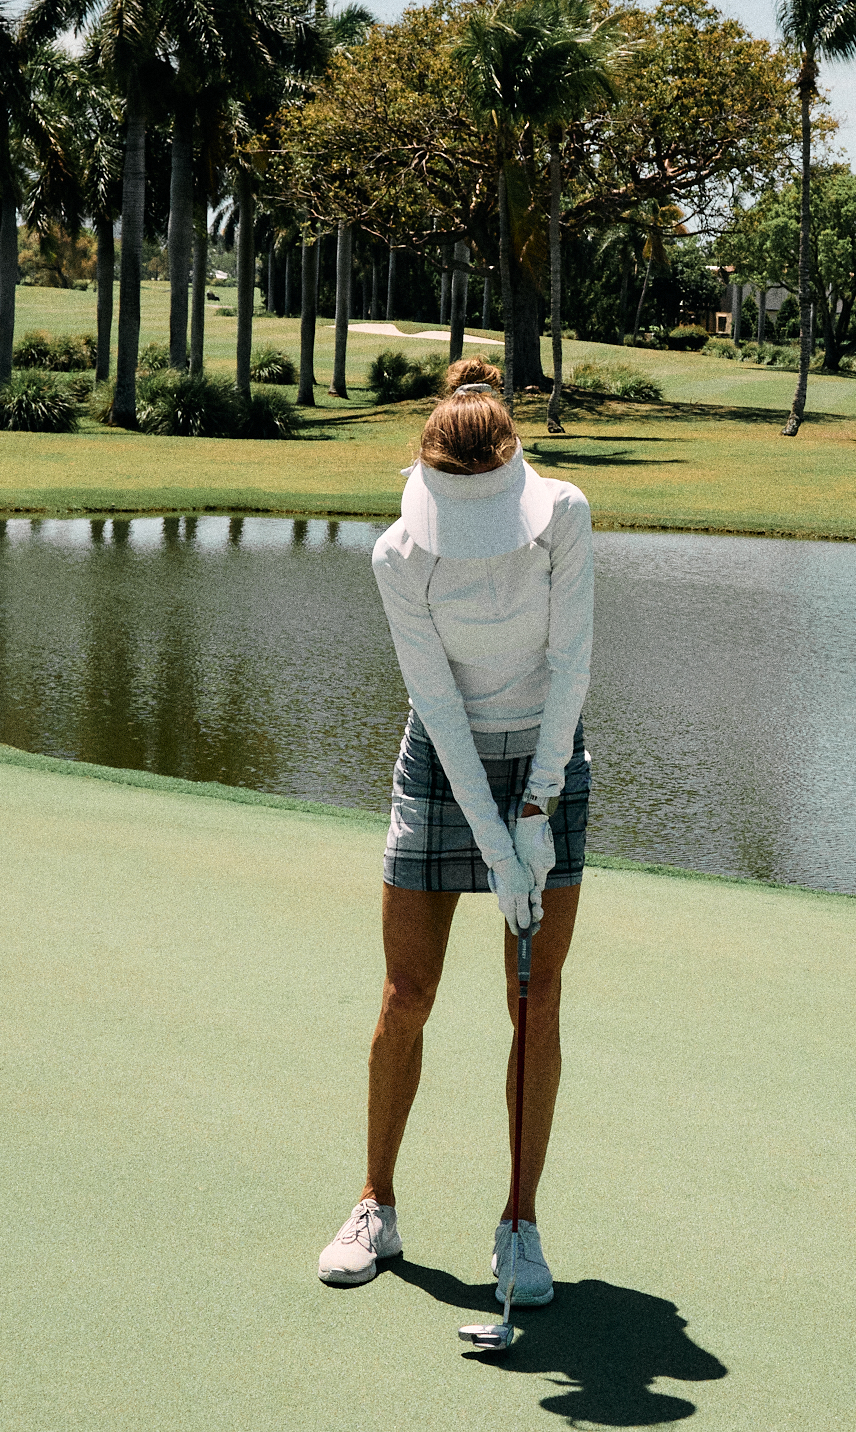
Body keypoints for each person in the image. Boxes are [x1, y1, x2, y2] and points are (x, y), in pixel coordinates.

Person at [319, 356, 594, 1307]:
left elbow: (571, 666)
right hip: (445, 760)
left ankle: (520, 1221)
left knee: (539, 998)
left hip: (546, 755)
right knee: (408, 988)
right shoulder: (398, 554)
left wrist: (538, 807)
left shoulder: (562, 514)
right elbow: (435, 701)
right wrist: (494, 834)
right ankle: (375, 1205)